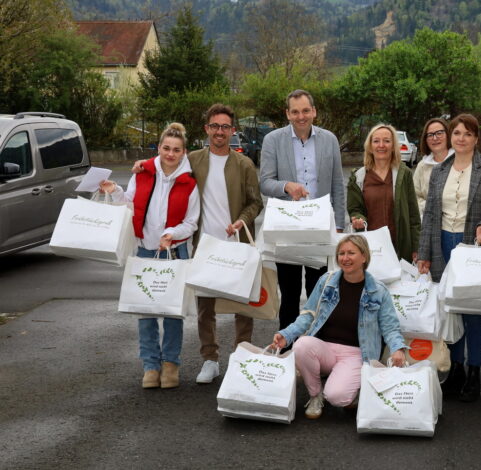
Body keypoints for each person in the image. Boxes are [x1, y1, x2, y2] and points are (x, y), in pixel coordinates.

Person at [417, 114, 481, 402]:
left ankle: (473, 371)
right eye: (457, 133)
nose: (461, 138)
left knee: (473, 311)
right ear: (450, 137)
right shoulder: (440, 170)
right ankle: (455, 368)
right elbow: (430, 215)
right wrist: (424, 253)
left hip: (472, 246)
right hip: (443, 243)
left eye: (468, 134)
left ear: (476, 139)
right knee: (451, 309)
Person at [100, 123, 200, 389]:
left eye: (176, 150)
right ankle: (150, 366)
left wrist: (172, 233)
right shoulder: (142, 173)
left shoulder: (189, 183)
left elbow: (191, 223)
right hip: (145, 249)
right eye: (166, 148)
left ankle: (170, 364)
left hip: (174, 252)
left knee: (172, 312)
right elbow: (130, 205)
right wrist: (115, 190)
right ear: (159, 148)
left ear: (184, 152)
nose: (170, 154)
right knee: (145, 311)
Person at [271, 235, 407, 419]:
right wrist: (286, 334)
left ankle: (352, 386)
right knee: (301, 345)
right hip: (324, 349)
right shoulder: (326, 281)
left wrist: (398, 349)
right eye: (341, 253)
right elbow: (308, 315)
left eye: (351, 253)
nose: (345, 258)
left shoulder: (378, 290)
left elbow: (390, 327)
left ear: (364, 256)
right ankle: (315, 394)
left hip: (356, 354)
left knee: (337, 397)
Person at [260, 89, 347, 335]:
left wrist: (339, 226)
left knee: (319, 292)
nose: (301, 116)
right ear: (287, 114)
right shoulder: (273, 140)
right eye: (295, 112)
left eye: (306, 111)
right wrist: (286, 186)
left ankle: (317, 345)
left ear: (314, 111)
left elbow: (337, 184)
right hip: (287, 228)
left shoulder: (329, 140)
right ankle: (287, 347)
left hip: (320, 228)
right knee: (288, 295)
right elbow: (265, 183)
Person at [188, 104, 263, 384]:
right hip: (205, 246)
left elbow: (256, 202)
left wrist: (242, 221)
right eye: (215, 126)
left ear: (233, 131)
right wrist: (142, 167)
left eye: (225, 127)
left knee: (242, 306)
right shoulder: (193, 160)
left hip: (237, 244)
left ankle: (241, 356)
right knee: (205, 308)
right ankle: (210, 359)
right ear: (206, 129)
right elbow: (165, 168)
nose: (219, 132)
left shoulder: (244, 164)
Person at [347, 123, 420, 263]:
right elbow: (355, 209)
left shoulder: (404, 174)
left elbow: (414, 216)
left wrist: (416, 247)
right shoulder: (358, 177)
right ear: (370, 146)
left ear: (393, 146)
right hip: (371, 249)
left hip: (400, 248)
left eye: (386, 141)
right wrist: (358, 219)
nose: (381, 145)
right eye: (376, 141)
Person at [413, 118, 453, 214]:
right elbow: (414, 196)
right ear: (425, 140)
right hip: (429, 219)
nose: (435, 138)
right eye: (430, 135)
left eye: (439, 133)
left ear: (448, 135)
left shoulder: (459, 160)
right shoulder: (422, 166)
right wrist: (429, 206)